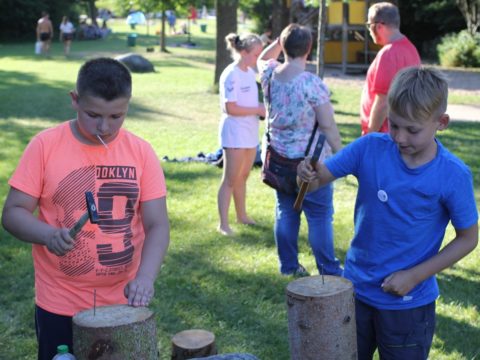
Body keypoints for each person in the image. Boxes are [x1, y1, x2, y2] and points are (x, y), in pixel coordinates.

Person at [298, 66, 478, 359]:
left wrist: (415, 275)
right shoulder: (369, 148)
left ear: (441, 122)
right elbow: (315, 181)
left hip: (408, 303)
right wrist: (305, 173)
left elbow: (468, 238)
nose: (400, 137)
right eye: (393, 125)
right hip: (354, 293)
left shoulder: (453, 175)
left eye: (412, 129)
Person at [1, 58, 170, 360]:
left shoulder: (141, 152)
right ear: (74, 100)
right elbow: (13, 212)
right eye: (93, 115)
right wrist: (47, 234)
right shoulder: (45, 146)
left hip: (123, 300)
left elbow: (157, 224)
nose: (104, 127)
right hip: (60, 301)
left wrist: (145, 277)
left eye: (117, 116)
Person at [257, 24, 343, 277]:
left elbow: (263, 57)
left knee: (285, 211)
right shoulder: (311, 84)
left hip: (277, 159)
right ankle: (328, 269)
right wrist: (342, 156)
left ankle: (288, 267)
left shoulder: (270, 74)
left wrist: (280, 40)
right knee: (318, 216)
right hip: (309, 165)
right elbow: (327, 125)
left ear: (283, 47)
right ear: (309, 49)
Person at [217, 33, 266, 236]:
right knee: (230, 178)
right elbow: (230, 108)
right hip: (235, 133)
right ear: (243, 52)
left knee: (243, 176)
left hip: (249, 132)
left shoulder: (248, 72)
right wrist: (257, 109)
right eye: (256, 54)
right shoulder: (231, 74)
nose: (258, 58)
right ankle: (223, 224)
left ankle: (241, 216)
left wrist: (258, 110)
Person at [360, 2, 421, 135]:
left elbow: (383, 102)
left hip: (385, 136)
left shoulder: (389, 53)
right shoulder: (411, 49)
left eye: (369, 25)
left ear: (379, 26)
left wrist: (370, 135)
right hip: (402, 133)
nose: (369, 31)